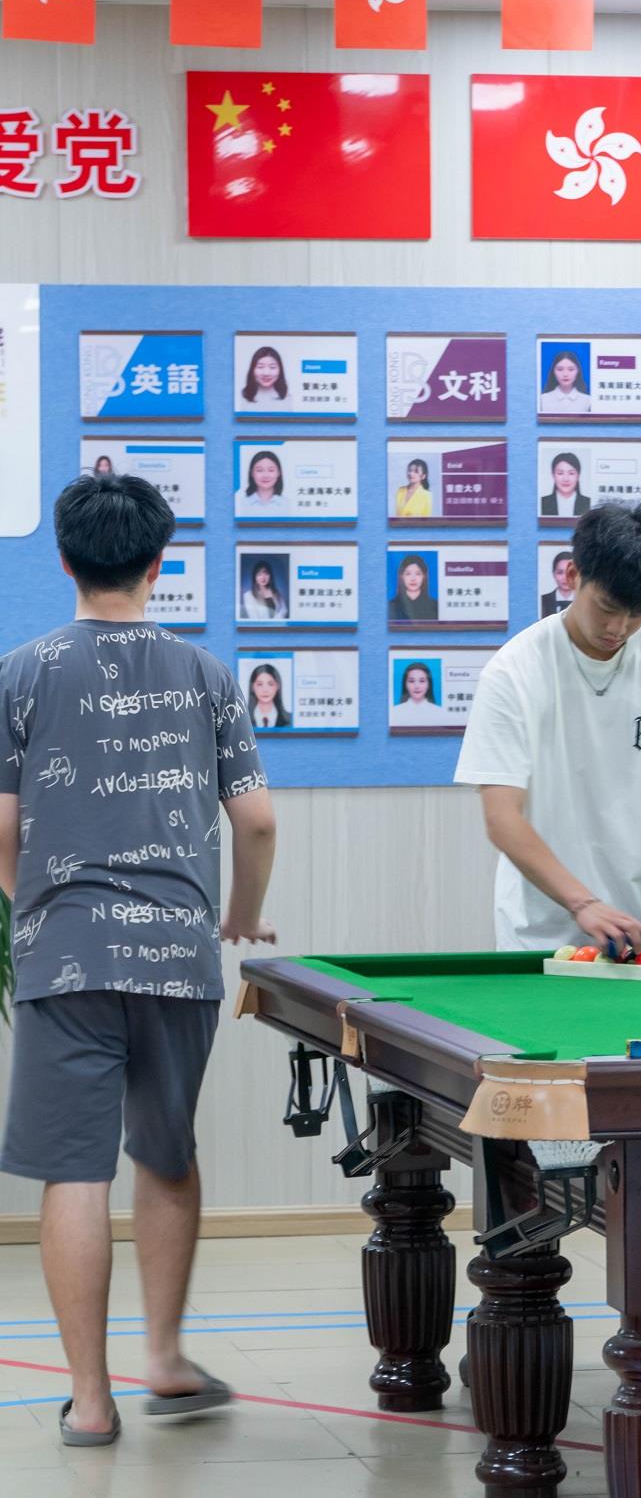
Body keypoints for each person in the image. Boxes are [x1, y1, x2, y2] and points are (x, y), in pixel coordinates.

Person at [0, 471, 277, 1446]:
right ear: (159, 564)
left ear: (66, 559)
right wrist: (241, 915)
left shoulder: (21, 671)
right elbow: (257, 819)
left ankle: (90, 1397)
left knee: (74, 1169)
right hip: (177, 950)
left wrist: (28, 903)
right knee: (164, 1153)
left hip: (62, 954)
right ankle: (162, 1354)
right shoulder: (206, 672)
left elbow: (3, 824)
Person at [455, 500, 641, 1382]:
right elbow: (503, 816)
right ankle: (515, 1314)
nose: (620, 628)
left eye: (639, 614)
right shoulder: (517, 668)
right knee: (538, 1144)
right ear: (570, 576)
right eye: (609, 606)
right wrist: (580, 903)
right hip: (544, 939)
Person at [540, 452, 590, 519]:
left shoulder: (588, 502)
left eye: (571, 473)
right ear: (553, 475)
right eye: (560, 473)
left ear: (578, 476)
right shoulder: (543, 503)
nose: (566, 479)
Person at [539, 350, 591, 416]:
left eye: (571, 369)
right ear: (553, 372)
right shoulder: (542, 399)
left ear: (578, 371)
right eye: (560, 369)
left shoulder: (588, 400)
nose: (565, 374)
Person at [389, 554, 439, 622]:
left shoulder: (435, 606)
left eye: (418, 573)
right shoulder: (391, 606)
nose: (413, 579)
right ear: (402, 576)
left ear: (424, 576)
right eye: (408, 574)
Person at [235, 450, 284, 516]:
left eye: (271, 470)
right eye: (260, 470)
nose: (265, 475)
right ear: (252, 473)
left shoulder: (288, 504)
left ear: (279, 473)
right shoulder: (241, 504)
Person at [392, 661, 441, 726]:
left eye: (422, 681)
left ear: (429, 684)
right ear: (405, 684)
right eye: (411, 681)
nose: (417, 686)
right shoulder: (395, 712)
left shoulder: (439, 712)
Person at [248, 662, 292, 730]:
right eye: (259, 684)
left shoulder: (290, 719)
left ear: (278, 686)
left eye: (270, 684)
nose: (265, 690)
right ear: (252, 687)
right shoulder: (242, 719)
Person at [540, 550, 575, 618]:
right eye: (560, 572)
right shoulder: (543, 601)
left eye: (570, 572)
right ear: (554, 574)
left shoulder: (584, 601)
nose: (565, 577)